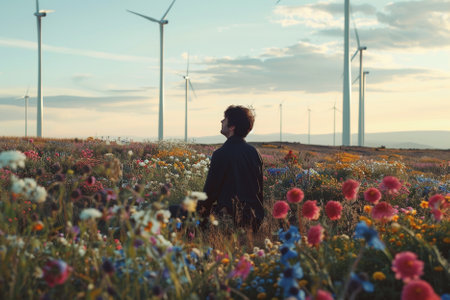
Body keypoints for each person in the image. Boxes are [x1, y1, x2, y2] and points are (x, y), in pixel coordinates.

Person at [198, 105, 264, 232]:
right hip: (254, 219)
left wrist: (198, 217)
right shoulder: (254, 153)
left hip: (230, 219)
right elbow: (259, 191)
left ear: (232, 127)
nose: (221, 122)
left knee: (177, 211)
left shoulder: (221, 154)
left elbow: (210, 193)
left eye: (225, 119)